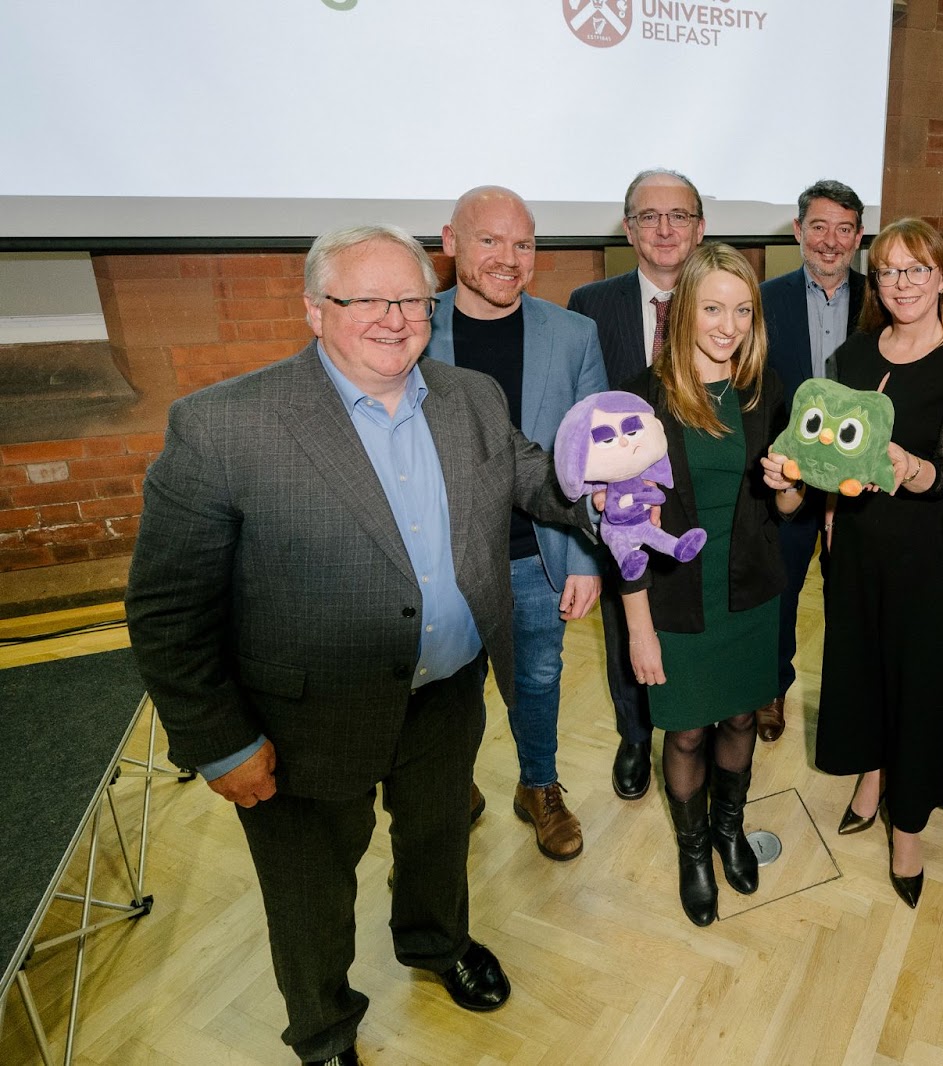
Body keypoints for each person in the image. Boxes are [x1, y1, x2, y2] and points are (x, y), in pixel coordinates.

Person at [124, 225, 599, 1066]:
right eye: (366, 300)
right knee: (309, 893)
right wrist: (221, 742)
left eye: (412, 300)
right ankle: (324, 1027)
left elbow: (535, 475)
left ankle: (434, 942)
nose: (394, 319)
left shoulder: (470, 397)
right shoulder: (225, 428)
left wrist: (611, 493)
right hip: (303, 718)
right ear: (315, 310)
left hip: (447, 692)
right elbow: (167, 612)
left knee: (439, 840)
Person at [614, 243, 803, 925]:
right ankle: (693, 849)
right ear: (685, 310)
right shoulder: (640, 399)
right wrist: (639, 630)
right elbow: (625, 532)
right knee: (687, 732)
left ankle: (729, 828)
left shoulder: (765, 388)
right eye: (714, 309)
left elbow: (784, 511)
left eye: (743, 311)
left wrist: (790, 487)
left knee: (742, 717)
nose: (728, 326)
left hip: (750, 591)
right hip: (674, 599)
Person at [816, 218, 943, 909]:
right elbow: (832, 455)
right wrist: (830, 515)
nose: (901, 284)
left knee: (920, 681)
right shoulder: (853, 356)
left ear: (942, 278)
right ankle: (871, 771)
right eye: (888, 271)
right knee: (863, 664)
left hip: (935, 554)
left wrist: (914, 469)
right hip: (860, 544)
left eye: (916, 270)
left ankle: (909, 828)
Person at [425, 186, 607, 862]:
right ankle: (451, 786)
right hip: (443, 559)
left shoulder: (574, 335)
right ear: (451, 242)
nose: (509, 258)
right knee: (449, 688)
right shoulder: (410, 328)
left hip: (541, 553)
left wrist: (586, 560)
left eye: (524, 243)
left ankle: (539, 786)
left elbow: (597, 457)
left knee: (537, 678)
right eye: (490, 240)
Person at [568, 168, 707, 801]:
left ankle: (693, 716)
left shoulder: (726, 298)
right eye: (649, 216)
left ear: (700, 228)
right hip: (622, 505)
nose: (665, 228)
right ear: (628, 229)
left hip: (701, 493)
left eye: (679, 215)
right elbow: (578, 412)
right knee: (630, 621)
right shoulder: (589, 306)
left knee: (693, 613)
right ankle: (632, 735)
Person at [758, 179, 867, 742]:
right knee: (780, 592)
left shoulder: (883, 299)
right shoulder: (763, 299)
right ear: (798, 231)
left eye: (843, 229)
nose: (830, 241)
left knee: (854, 601)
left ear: (859, 236)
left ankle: (849, 702)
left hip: (860, 488)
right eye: (819, 227)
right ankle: (772, 688)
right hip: (788, 482)